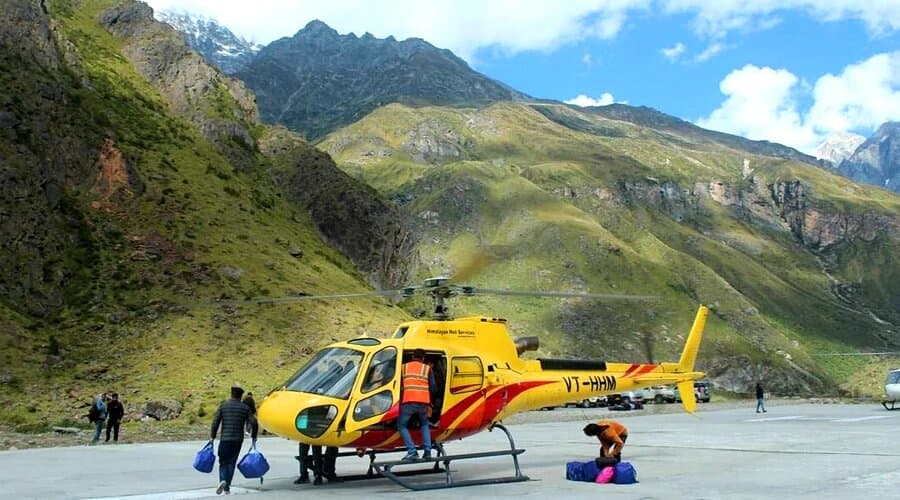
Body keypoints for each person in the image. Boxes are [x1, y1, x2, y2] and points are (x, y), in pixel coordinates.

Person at [211, 386, 258, 495]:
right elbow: (254, 422)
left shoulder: (223, 406)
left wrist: (212, 436)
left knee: (223, 461)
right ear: (241, 396)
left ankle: (223, 480)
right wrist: (254, 436)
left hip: (225, 439)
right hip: (237, 440)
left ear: (231, 394)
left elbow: (215, 422)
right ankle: (227, 487)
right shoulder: (245, 408)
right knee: (232, 462)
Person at [398, 349, 435, 461]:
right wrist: (430, 403)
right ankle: (427, 451)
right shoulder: (427, 369)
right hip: (423, 403)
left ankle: (412, 451)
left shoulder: (403, 367)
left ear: (412, 356)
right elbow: (433, 388)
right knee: (424, 424)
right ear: (423, 358)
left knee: (401, 425)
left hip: (408, 401)